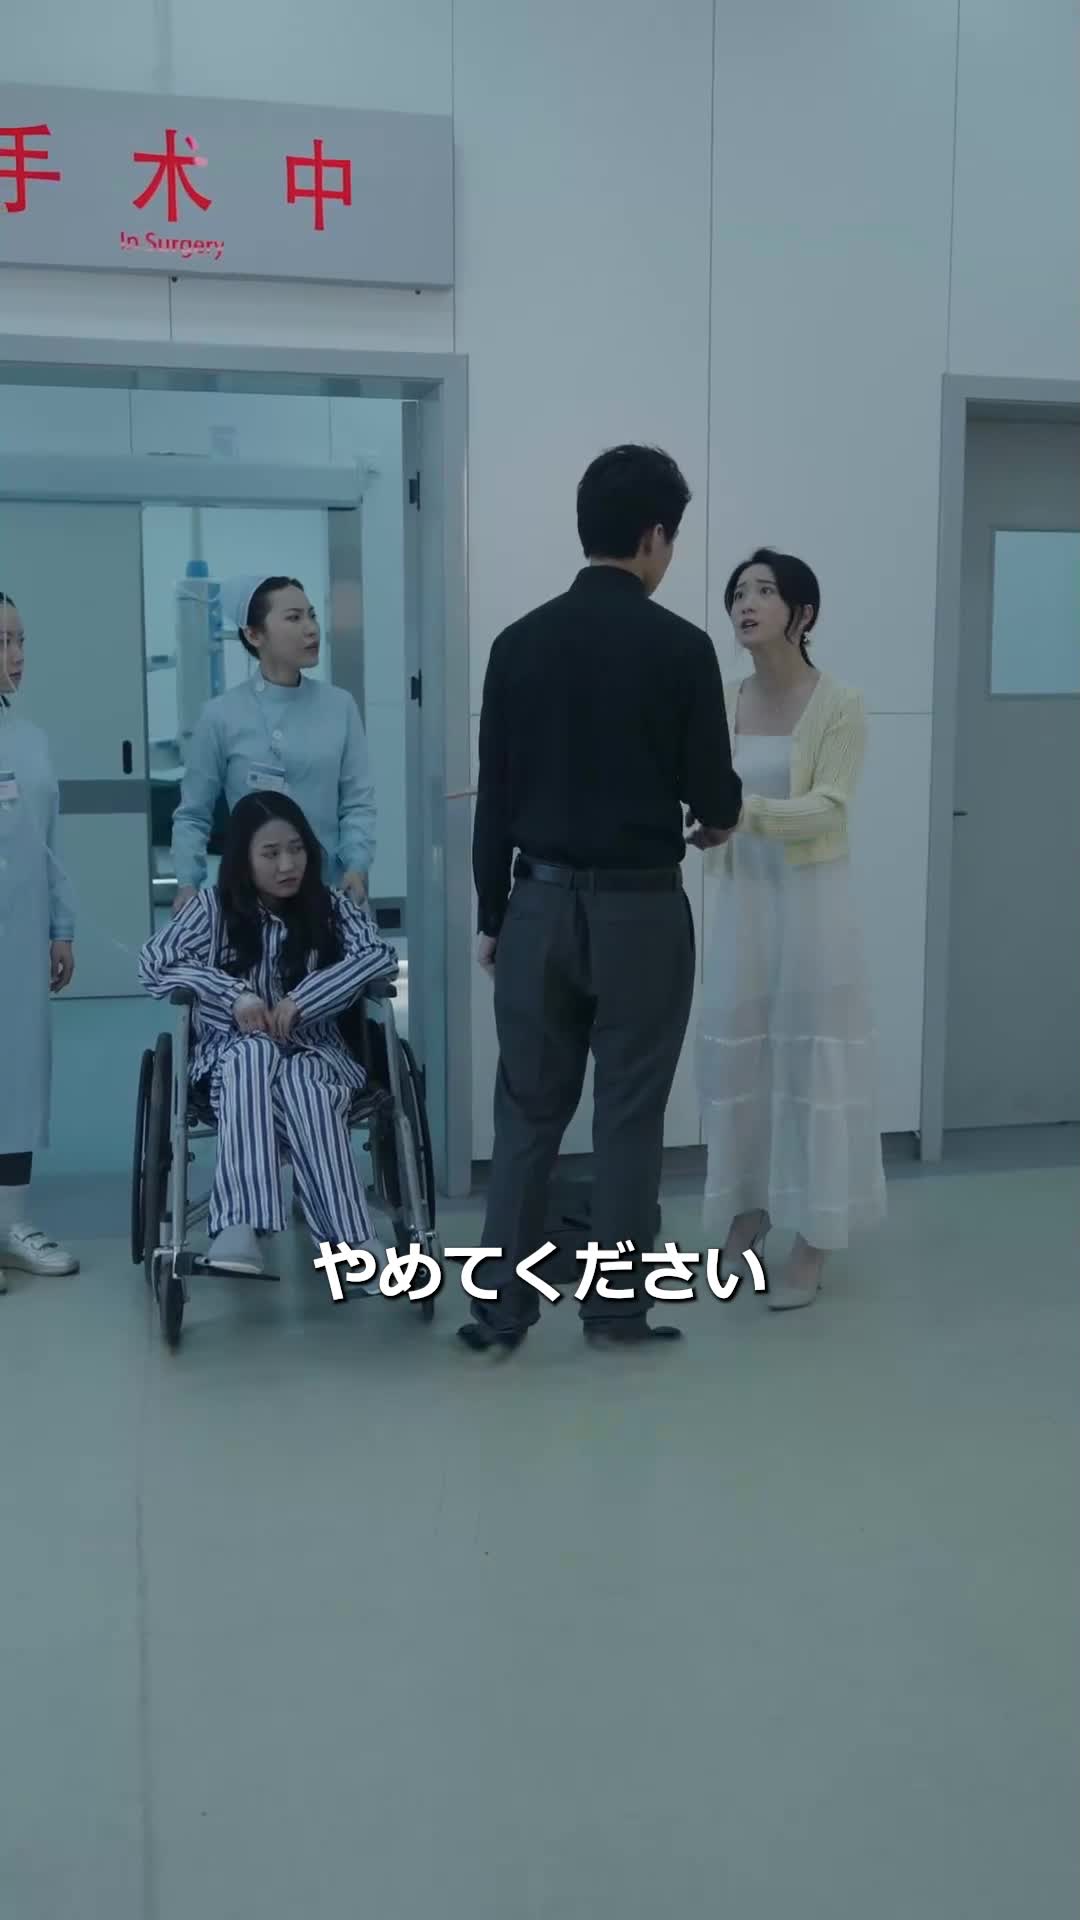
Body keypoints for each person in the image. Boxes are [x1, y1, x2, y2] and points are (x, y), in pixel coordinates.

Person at [462, 445, 743, 1354]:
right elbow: (714, 791)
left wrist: (492, 915)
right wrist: (716, 821)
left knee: (526, 1113)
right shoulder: (683, 648)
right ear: (655, 535)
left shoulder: (518, 643)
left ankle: (500, 1311)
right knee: (629, 1112)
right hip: (642, 913)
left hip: (537, 906)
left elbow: (496, 797)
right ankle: (616, 1310)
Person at [693, 548, 886, 1310]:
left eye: (765, 591)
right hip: (743, 904)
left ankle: (816, 1235)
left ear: (803, 613)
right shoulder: (722, 699)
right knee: (741, 1065)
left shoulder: (841, 703)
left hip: (812, 907)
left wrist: (743, 815)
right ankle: (749, 1213)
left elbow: (831, 806)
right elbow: (695, 787)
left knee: (813, 1065)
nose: (746, 603)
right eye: (739, 592)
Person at [139, 791, 397, 1278]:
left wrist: (305, 999)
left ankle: (341, 1240)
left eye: (296, 849)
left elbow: (378, 956)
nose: (288, 865)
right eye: (271, 853)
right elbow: (154, 961)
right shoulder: (212, 909)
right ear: (243, 859)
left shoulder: (330, 907)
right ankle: (255, 1227)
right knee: (253, 1053)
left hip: (315, 1054)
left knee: (302, 1084)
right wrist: (232, 994)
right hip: (229, 1060)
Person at [171, 575, 376, 916]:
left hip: (332, 893)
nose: (311, 629)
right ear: (254, 635)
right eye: (294, 618)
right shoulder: (221, 715)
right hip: (251, 902)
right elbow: (193, 813)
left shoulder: (339, 706)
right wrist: (187, 882)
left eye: (312, 615)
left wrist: (357, 865)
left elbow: (358, 803)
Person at [0, 591, 79, 1291]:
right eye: (3, 642)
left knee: (21, 1075)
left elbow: (51, 841)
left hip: (22, 937)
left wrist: (62, 928)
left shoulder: (29, 738)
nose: (17, 656)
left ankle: (12, 1224)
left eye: (21, 639)